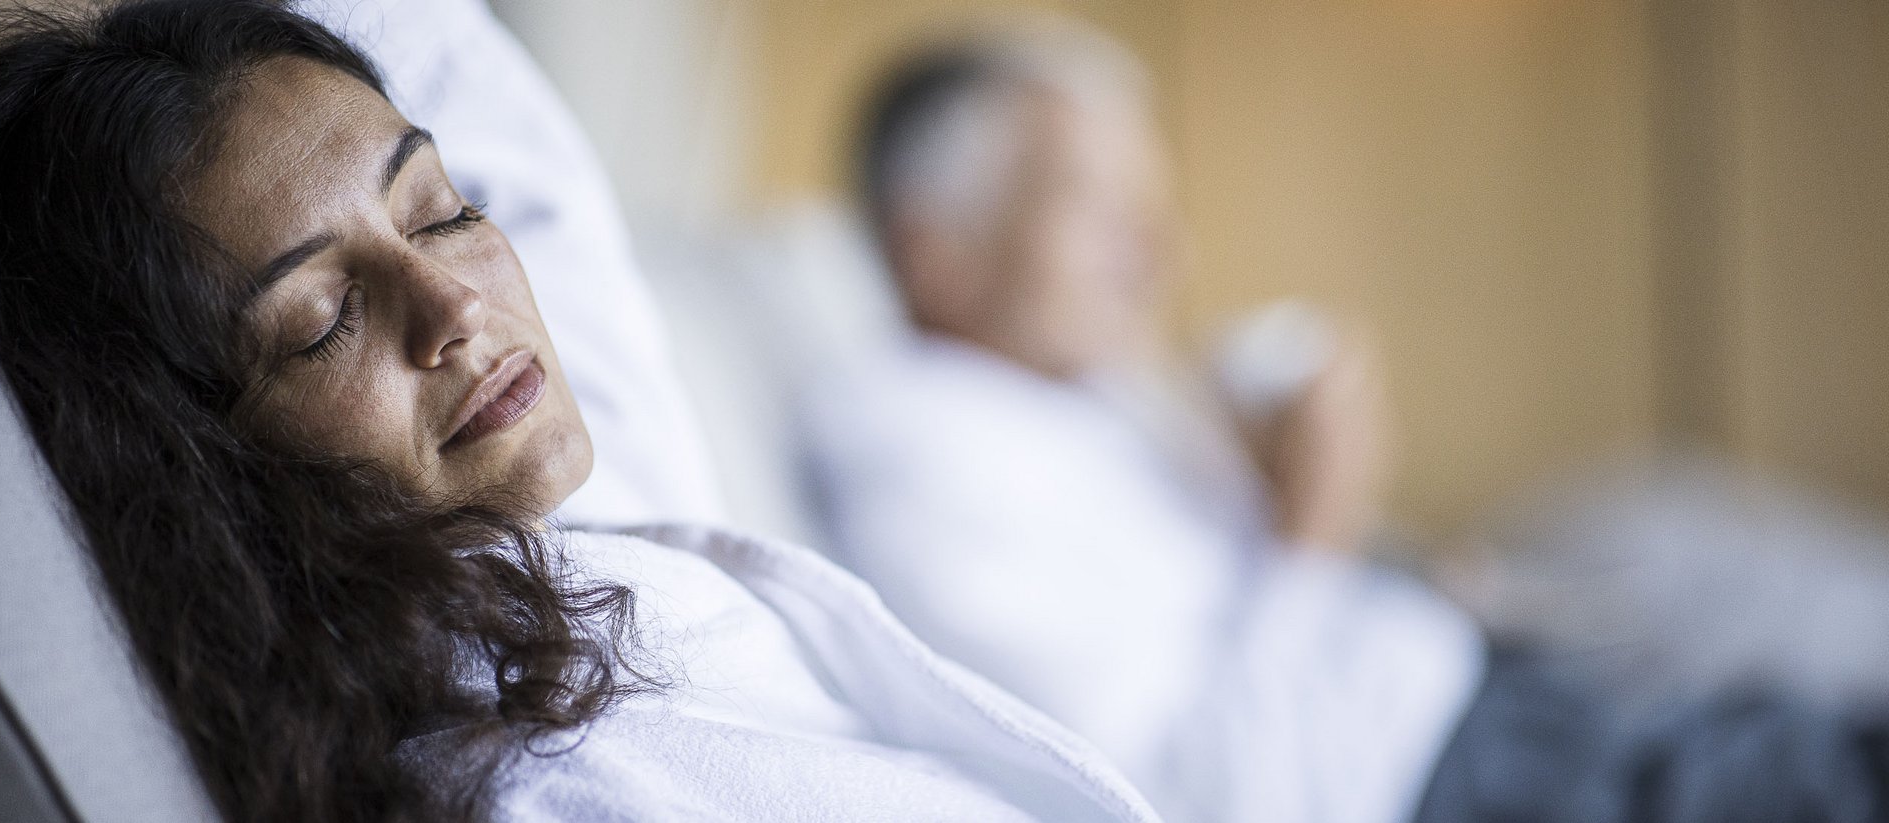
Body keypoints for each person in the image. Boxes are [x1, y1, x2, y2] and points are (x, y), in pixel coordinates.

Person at [0, 2, 1157, 821]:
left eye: (439, 209)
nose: (452, 305)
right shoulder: (552, 789)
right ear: (196, 460)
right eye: (324, 321)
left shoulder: (553, 516)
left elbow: (487, 112)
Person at [808, 24, 1889, 823]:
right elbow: (1219, 788)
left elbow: (1237, 598)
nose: (1157, 248)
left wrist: (1300, 498)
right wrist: (1310, 523)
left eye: (1152, 200)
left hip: (1466, 688)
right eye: (1092, 203)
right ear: (934, 250)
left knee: (1743, 642)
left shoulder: (1071, 392)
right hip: (1440, 779)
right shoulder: (923, 462)